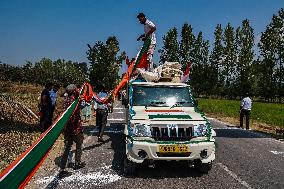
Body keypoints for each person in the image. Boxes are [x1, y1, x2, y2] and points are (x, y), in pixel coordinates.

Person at [59, 84, 85, 176]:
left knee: (66, 148)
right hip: (75, 128)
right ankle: (77, 163)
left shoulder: (66, 100)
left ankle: (62, 168)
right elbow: (82, 106)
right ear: (74, 91)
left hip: (67, 129)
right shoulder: (76, 101)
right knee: (79, 145)